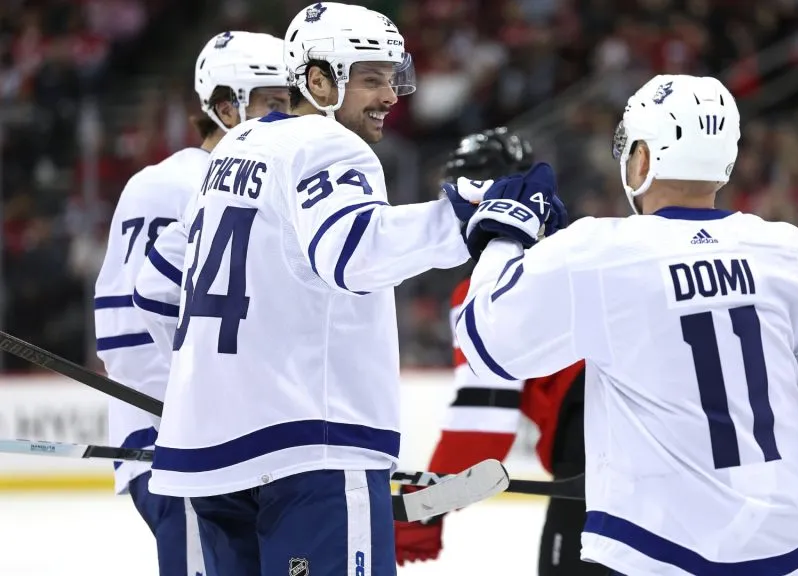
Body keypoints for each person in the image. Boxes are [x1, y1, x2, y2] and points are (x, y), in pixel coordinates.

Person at [131, 3, 522, 574]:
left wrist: (208, 385)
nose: (390, 96)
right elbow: (355, 253)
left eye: (393, 78)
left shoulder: (230, 152)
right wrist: (470, 213)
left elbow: (155, 287)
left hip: (212, 458)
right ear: (317, 80)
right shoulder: (330, 145)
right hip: (311, 451)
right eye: (370, 79)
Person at [452, 74, 798, 576]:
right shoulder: (792, 251)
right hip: (785, 555)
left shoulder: (596, 252)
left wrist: (505, 233)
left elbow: (484, 340)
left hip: (647, 553)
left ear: (642, 158)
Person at [93, 30, 289, 576]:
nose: (288, 117)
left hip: (245, 449)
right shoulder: (165, 185)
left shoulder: (272, 181)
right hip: (176, 449)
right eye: (273, 102)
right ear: (225, 107)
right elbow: (126, 333)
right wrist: (181, 423)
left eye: (292, 102)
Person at [394, 128, 598, 575]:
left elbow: (482, 427)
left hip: (594, 451)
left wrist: (423, 508)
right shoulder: (581, 246)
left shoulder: (488, 287)